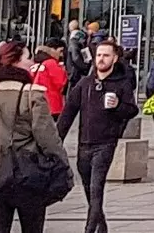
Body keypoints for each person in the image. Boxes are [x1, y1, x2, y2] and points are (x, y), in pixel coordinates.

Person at [0, 40, 69, 233]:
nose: (31, 62)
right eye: (27, 57)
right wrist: (63, 166)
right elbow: (48, 138)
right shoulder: (31, 94)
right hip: (26, 175)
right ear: (15, 61)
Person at [58, 38, 136, 233]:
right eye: (99, 55)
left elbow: (131, 110)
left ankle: (90, 228)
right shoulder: (85, 83)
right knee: (88, 189)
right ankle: (101, 227)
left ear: (115, 58)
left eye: (106, 55)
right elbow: (68, 112)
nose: (101, 59)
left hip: (105, 143)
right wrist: (57, 140)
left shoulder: (122, 83)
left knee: (96, 188)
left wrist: (117, 106)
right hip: (84, 143)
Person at [29, 44, 69, 118]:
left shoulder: (33, 65)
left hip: (35, 101)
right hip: (51, 103)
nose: (61, 55)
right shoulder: (51, 63)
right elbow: (60, 82)